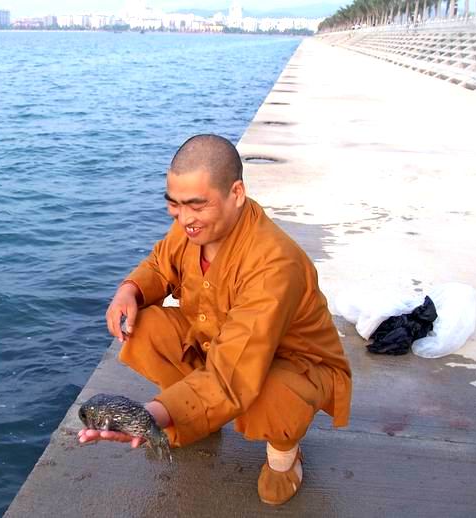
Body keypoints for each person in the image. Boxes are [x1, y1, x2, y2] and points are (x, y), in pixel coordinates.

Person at [78, 134, 352, 505]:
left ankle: (284, 456)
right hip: (218, 342)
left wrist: (151, 415)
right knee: (145, 327)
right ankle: (194, 419)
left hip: (288, 363)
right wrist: (130, 290)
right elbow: (160, 265)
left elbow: (233, 374)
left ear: (236, 193)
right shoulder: (193, 227)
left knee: (271, 393)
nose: (184, 218)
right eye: (174, 205)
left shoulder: (274, 264)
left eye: (196, 205)